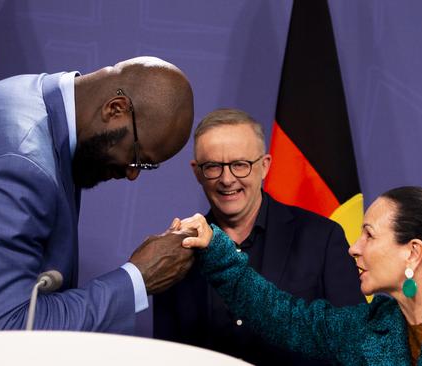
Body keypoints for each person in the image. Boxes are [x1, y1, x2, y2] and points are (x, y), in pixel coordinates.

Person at [0, 56, 196, 336]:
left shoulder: (44, 108)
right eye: (137, 158)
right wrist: (136, 280)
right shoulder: (16, 160)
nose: (132, 175)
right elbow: (0, 336)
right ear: (114, 109)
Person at [180, 186, 422, 365]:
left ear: (412, 251)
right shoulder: (371, 326)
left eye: (368, 234)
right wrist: (216, 247)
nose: (353, 247)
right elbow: (283, 316)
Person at [154, 109, 364, 365]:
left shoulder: (322, 237)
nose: (227, 179)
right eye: (213, 167)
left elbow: (353, 341)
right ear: (197, 172)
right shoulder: (178, 250)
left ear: (264, 166)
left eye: (240, 165)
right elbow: (165, 355)